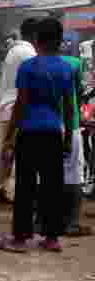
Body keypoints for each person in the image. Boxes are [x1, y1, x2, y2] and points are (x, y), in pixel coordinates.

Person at [0, 18, 73, 253]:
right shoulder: (66, 68)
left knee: (25, 186)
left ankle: (20, 238)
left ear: (37, 40)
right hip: (54, 132)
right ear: (59, 41)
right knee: (52, 186)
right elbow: (69, 108)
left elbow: (21, 105)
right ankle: (52, 237)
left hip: (29, 131)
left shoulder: (28, 67)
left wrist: (9, 137)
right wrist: (67, 139)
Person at [0, 19, 39, 205]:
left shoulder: (14, 50)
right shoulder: (28, 53)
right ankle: (15, 193)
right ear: (35, 35)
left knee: (5, 149)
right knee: (19, 153)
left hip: (8, 105)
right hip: (19, 108)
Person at [59, 47, 91, 236]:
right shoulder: (75, 63)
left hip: (44, 125)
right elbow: (78, 95)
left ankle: (41, 220)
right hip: (71, 124)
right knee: (74, 174)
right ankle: (72, 223)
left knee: (44, 173)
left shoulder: (33, 64)